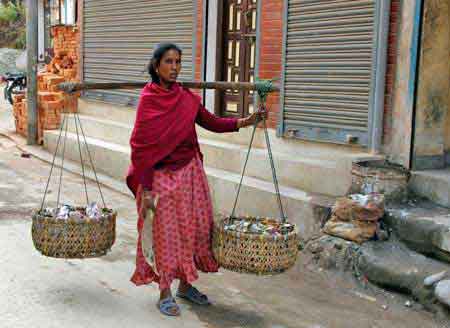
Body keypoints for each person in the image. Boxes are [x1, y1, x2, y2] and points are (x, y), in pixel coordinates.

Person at [126, 43, 265, 316]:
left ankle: (185, 285)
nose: (175, 67)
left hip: (190, 173)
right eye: (169, 62)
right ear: (156, 66)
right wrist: (147, 191)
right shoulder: (149, 100)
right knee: (164, 236)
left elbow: (210, 121)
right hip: (159, 179)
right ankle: (164, 291)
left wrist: (245, 121)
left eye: (178, 62)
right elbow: (140, 149)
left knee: (194, 230)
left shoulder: (185, 97)